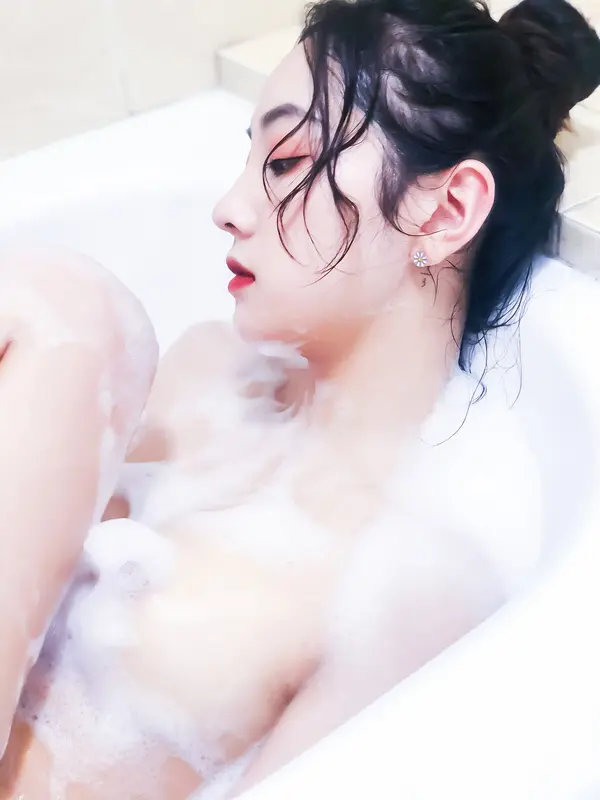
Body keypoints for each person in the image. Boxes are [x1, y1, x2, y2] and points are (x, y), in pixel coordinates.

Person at [1, 0, 599, 796]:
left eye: (285, 161)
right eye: (249, 159)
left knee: (72, 309)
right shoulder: (202, 369)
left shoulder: (410, 583)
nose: (228, 207)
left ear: (446, 210)